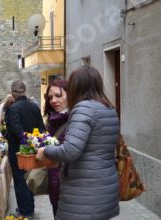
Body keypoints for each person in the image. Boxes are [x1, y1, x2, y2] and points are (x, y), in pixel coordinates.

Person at [36, 66, 120, 220]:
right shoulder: (109, 109)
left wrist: (46, 150)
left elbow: (70, 150)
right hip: (105, 185)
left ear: (75, 87)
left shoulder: (83, 109)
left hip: (84, 189)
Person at [6, 80, 45, 218]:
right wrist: (35, 142)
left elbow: (16, 129)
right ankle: (29, 207)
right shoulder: (34, 106)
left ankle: (25, 210)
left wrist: (25, 140)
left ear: (12, 92)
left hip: (18, 150)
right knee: (29, 178)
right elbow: (42, 128)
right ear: (25, 91)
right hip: (33, 149)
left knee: (20, 180)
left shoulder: (14, 108)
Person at [43, 79, 68, 218]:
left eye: (58, 96)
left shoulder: (77, 119)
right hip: (55, 180)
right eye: (50, 97)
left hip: (72, 185)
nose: (53, 100)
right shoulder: (52, 119)